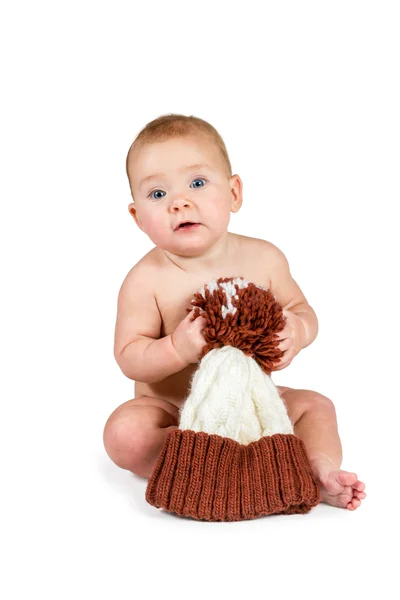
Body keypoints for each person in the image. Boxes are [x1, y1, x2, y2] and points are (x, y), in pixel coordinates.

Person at [103, 113, 366, 510]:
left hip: (253, 404)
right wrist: (176, 348)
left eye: (197, 183)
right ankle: (194, 469)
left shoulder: (264, 258)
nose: (180, 202)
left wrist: (296, 330)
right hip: (178, 415)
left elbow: (303, 312)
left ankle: (316, 470)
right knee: (124, 432)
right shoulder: (145, 280)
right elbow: (129, 357)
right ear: (138, 217)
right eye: (158, 194)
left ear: (234, 193)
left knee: (317, 406)